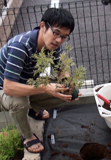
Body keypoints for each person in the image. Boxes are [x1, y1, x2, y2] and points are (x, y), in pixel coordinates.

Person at [0, 8, 80, 153]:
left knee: (67, 91)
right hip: (3, 89)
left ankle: (33, 109)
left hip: (24, 83)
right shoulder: (20, 46)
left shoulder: (53, 46)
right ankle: (27, 136)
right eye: (56, 33)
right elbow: (8, 88)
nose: (59, 40)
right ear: (43, 26)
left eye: (64, 37)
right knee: (19, 102)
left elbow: (61, 69)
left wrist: (68, 84)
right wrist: (45, 88)